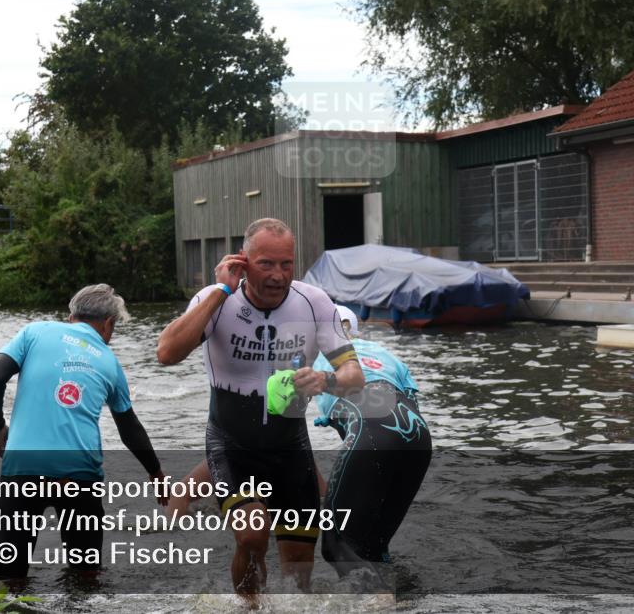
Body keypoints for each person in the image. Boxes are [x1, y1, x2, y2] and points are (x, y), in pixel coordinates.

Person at [156, 217, 364, 599]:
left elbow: (355, 375)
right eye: (266, 264)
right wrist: (221, 289)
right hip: (231, 444)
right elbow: (166, 353)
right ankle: (247, 606)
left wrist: (327, 381)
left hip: (290, 449)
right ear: (243, 261)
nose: (278, 276)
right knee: (252, 535)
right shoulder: (215, 300)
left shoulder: (313, 302)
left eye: (287, 264)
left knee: (300, 571)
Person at [0, 283, 167, 579]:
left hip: (23, 466)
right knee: (86, 574)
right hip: (78, 473)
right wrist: (156, 473)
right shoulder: (110, 361)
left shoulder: (34, 332)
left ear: (72, 316)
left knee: (8, 577)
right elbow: (129, 427)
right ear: (108, 324)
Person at [312, 306, 431, 586]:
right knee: (374, 549)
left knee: (336, 547)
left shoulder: (316, 356)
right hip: (419, 436)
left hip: (370, 431)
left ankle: (380, 602)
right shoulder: (385, 353)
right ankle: (400, 599)